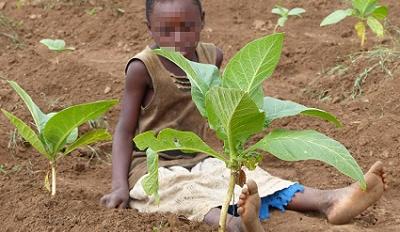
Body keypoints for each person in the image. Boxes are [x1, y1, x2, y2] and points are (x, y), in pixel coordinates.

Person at [100, 0, 388, 231]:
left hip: (200, 158)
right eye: (166, 30)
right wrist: (119, 187)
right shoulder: (142, 68)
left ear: (203, 19)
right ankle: (238, 224)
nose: (178, 40)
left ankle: (329, 201)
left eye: (187, 27)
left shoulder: (211, 56)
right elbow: (124, 131)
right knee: (176, 194)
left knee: (252, 177)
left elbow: (223, 103)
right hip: (153, 166)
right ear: (149, 27)